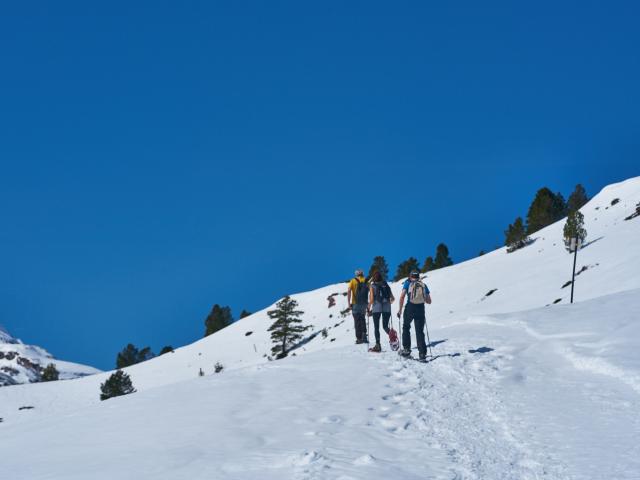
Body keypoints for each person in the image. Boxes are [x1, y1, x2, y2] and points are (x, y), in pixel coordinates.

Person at [396, 270, 432, 360]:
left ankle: (407, 350)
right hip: (420, 309)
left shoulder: (408, 283)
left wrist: (400, 310)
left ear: (410, 276)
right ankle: (422, 353)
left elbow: (402, 296)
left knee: (406, 327)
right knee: (419, 331)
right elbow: (429, 301)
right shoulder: (423, 285)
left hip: (410, 308)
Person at [367, 271, 395, 352]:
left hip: (376, 307)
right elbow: (393, 298)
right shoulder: (385, 284)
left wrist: (368, 308)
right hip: (387, 307)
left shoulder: (372, 286)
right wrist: (387, 302)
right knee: (385, 326)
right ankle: (393, 339)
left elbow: (371, 300)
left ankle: (378, 345)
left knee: (376, 327)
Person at [347, 269, 369, 344]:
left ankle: (359, 338)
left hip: (355, 303)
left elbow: (349, 291)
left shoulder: (353, 280)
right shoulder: (366, 280)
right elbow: (369, 291)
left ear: (356, 274)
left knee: (357, 320)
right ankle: (364, 336)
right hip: (364, 303)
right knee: (362, 319)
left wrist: (348, 303)